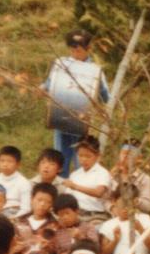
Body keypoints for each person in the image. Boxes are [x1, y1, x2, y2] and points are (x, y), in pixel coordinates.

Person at [43, 30, 111, 175]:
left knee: (82, 160)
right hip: (61, 118)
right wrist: (42, 89)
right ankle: (62, 189)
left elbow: (106, 97)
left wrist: (99, 107)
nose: (75, 52)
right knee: (60, 159)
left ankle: (81, 191)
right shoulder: (61, 64)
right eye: (72, 48)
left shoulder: (95, 70)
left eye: (78, 49)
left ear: (88, 48)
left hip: (83, 123)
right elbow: (49, 85)